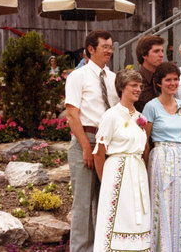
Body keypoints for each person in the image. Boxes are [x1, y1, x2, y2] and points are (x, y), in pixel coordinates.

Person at [65, 30, 119, 252]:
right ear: (91, 49)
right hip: (85, 140)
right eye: (104, 46)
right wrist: (87, 148)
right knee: (84, 203)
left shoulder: (114, 78)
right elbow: (71, 115)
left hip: (108, 143)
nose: (109, 50)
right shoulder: (78, 76)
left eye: (110, 46)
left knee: (106, 200)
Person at [92, 70, 150, 251]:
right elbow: (99, 153)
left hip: (137, 171)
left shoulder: (140, 117)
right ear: (121, 87)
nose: (138, 89)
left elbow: (144, 148)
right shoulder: (111, 115)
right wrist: (107, 182)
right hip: (117, 173)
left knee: (137, 220)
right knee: (117, 219)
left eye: (140, 86)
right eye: (133, 85)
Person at [142, 62, 181, 251]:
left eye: (176, 79)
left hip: (180, 157)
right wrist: (147, 165)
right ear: (159, 83)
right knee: (161, 204)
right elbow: (145, 140)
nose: (173, 83)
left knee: (180, 206)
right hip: (160, 156)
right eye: (168, 79)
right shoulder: (151, 107)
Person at [134, 35, 165, 112]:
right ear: (144, 55)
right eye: (156, 51)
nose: (161, 55)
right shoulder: (134, 80)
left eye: (162, 51)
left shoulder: (165, 78)